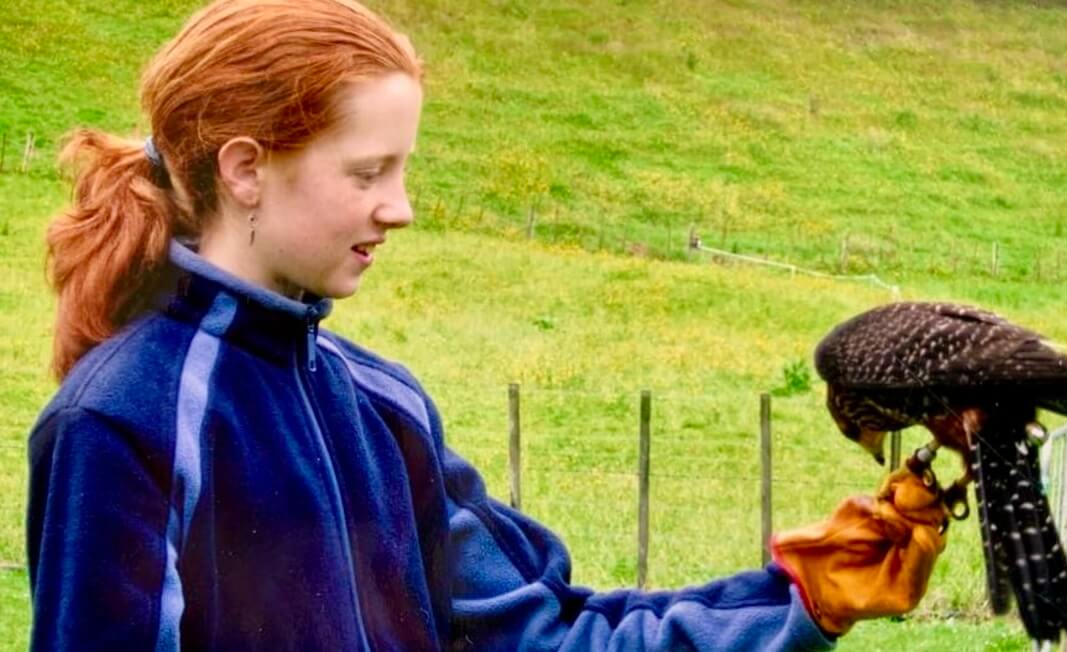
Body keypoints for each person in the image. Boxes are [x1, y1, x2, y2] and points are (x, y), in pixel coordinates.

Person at [26, 0, 947, 649]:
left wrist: (802, 597)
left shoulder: (383, 406)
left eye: (403, 171)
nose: (402, 209)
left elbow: (546, 637)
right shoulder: (124, 422)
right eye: (367, 172)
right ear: (244, 168)